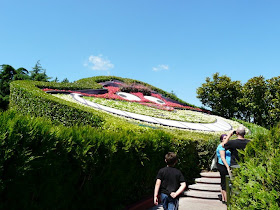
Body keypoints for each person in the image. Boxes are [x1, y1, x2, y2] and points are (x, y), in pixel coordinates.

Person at [216, 134, 231, 204]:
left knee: (224, 182)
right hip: (223, 165)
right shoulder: (221, 146)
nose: (226, 139)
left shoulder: (227, 146)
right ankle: (225, 199)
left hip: (227, 165)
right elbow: (222, 157)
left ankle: (224, 197)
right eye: (224, 138)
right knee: (224, 182)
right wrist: (227, 166)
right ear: (222, 139)